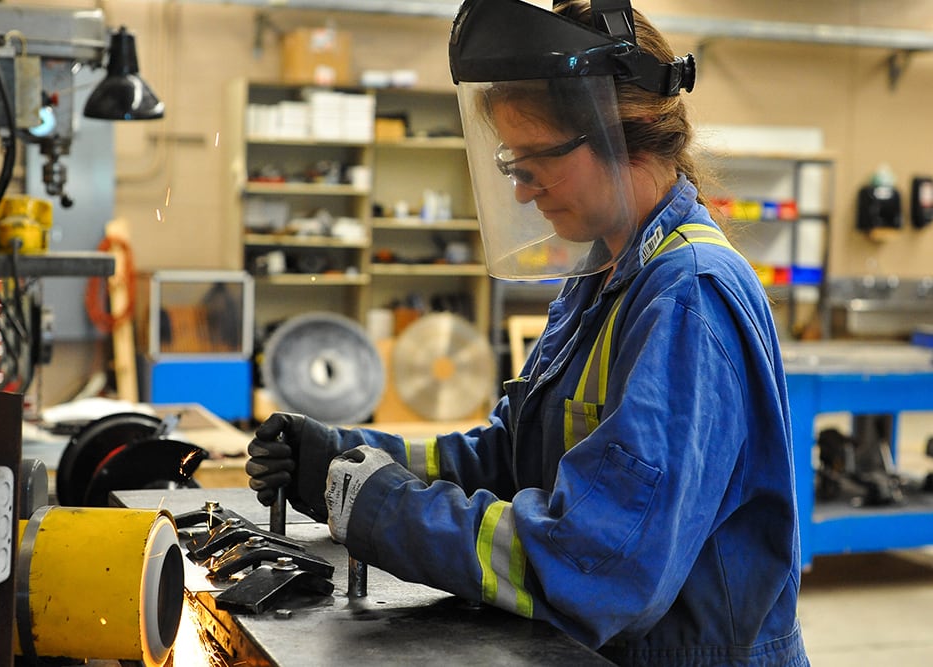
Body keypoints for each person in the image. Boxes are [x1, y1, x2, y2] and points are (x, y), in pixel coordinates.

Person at [246, 0, 809, 664]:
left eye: (535, 163)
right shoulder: (600, 275)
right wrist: (348, 458)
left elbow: (604, 564)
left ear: (614, 132)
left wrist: (384, 512)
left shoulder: (686, 294)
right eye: (514, 166)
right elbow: (515, 458)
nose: (521, 193)